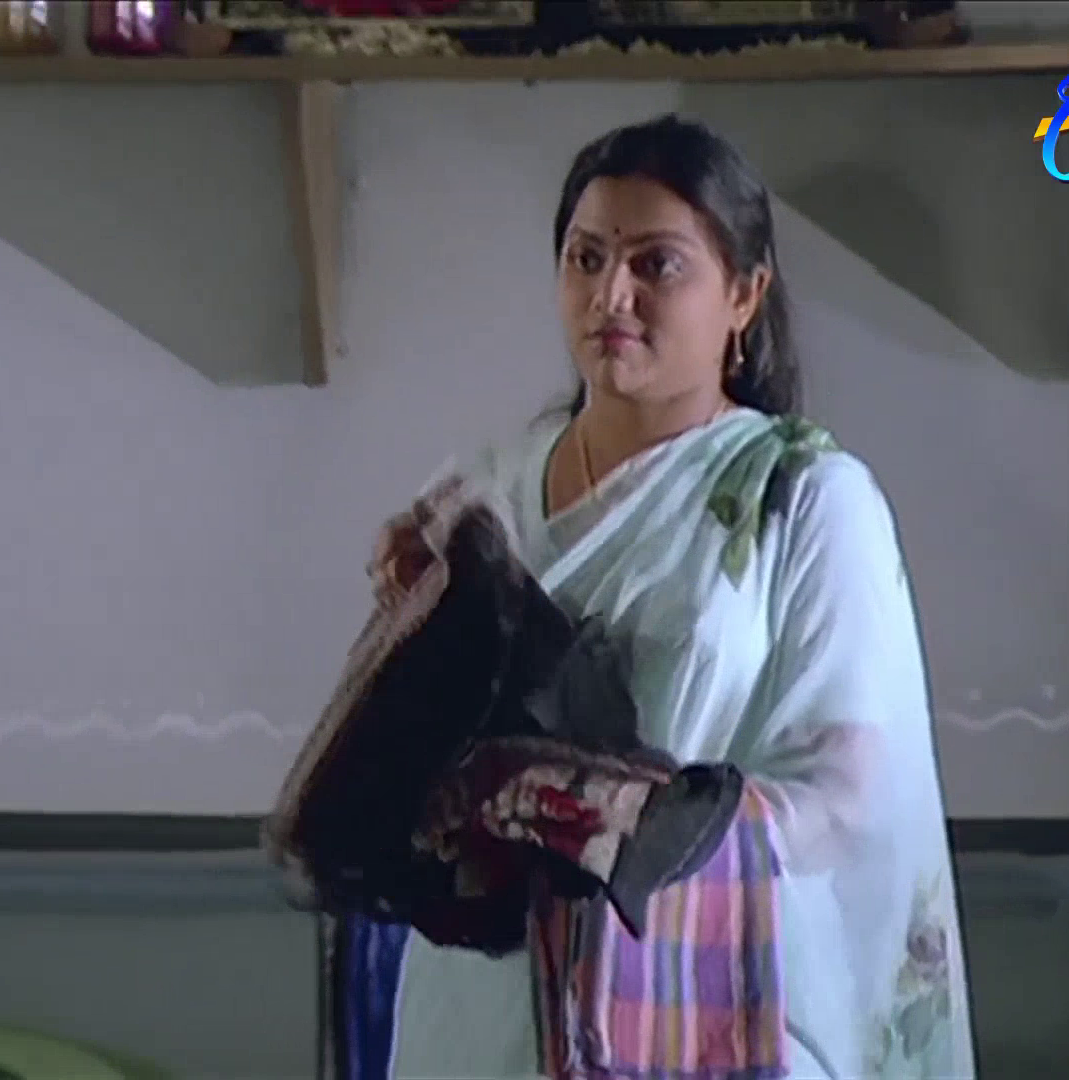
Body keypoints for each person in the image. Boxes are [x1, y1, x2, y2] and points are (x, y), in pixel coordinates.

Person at [355, 114, 978, 1080]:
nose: (612, 294)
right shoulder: (483, 495)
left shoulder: (805, 499)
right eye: (587, 258)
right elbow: (407, 751)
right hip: (487, 1003)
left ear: (744, 294)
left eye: (657, 264)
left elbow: (851, 795)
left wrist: (621, 821)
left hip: (710, 998)